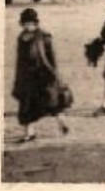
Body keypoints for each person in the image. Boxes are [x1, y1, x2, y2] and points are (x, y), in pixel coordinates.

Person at [12, 8, 70, 141]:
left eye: (30, 23)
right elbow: (19, 60)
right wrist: (18, 79)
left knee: (52, 102)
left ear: (35, 23)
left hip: (44, 75)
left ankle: (62, 124)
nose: (28, 26)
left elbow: (52, 58)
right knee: (26, 105)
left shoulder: (45, 37)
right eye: (25, 23)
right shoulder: (21, 38)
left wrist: (55, 74)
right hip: (27, 77)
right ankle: (29, 133)